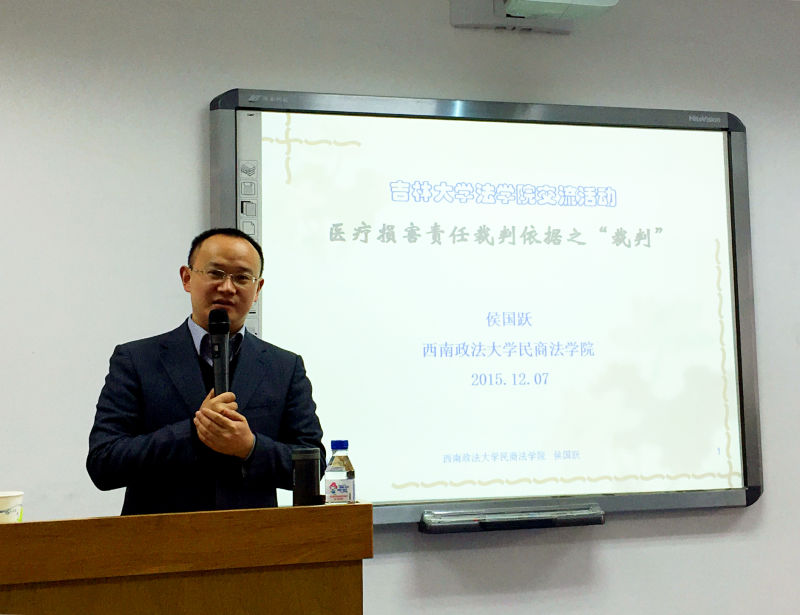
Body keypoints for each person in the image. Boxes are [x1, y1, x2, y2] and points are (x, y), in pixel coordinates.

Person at [87, 228, 324, 515]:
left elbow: (313, 466)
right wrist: (192, 433)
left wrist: (250, 447)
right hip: (160, 537)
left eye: (242, 277)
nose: (228, 287)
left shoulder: (284, 367)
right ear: (187, 278)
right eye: (215, 273)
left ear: (258, 289)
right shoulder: (136, 360)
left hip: (252, 536)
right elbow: (103, 463)